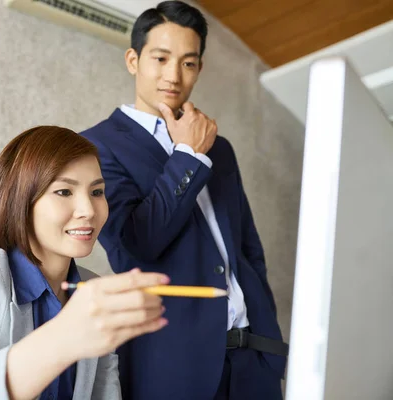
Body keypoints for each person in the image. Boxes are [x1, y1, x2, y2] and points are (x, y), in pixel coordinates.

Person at [81, 2, 288, 399]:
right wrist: (189, 156)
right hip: (172, 368)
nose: (173, 76)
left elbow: (248, 249)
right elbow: (137, 244)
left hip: (253, 364)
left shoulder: (220, 147)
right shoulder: (96, 146)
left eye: (188, 64)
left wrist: (268, 340)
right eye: (160, 58)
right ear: (133, 60)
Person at [0, 126, 171, 400]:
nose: (89, 210)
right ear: (20, 200)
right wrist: (62, 337)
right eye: (64, 192)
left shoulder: (93, 290)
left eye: (97, 192)